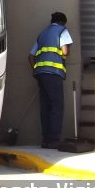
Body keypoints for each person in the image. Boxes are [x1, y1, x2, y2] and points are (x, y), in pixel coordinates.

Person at [28, 11, 72, 149]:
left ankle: (46, 140)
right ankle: (54, 140)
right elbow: (65, 51)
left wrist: (35, 70)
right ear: (63, 22)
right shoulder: (62, 31)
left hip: (41, 74)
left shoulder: (42, 34)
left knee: (45, 107)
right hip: (53, 74)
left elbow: (30, 56)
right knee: (56, 107)